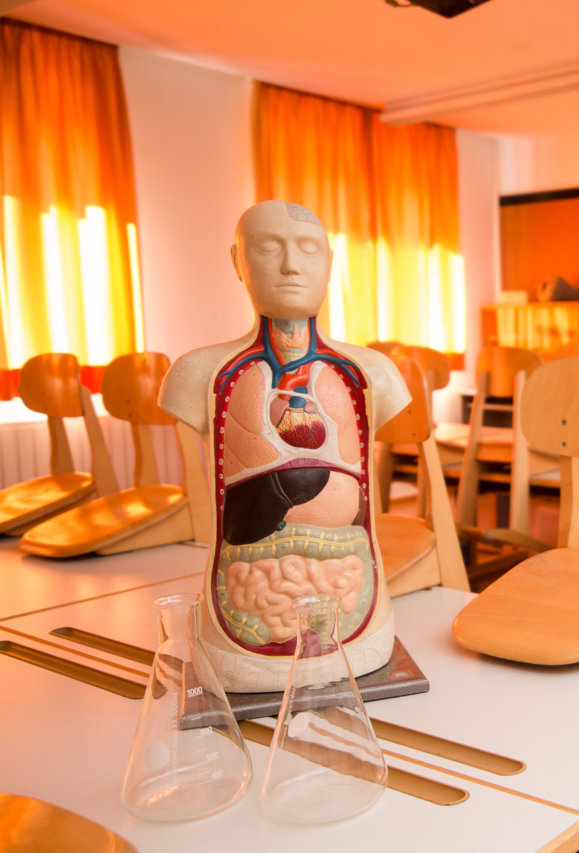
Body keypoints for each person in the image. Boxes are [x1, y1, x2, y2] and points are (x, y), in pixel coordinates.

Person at [160, 200, 409, 692]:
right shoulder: (197, 373)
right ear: (237, 261)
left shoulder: (374, 373)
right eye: (269, 248)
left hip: (352, 597)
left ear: (330, 263)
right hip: (243, 601)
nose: (291, 265)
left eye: (307, 249)